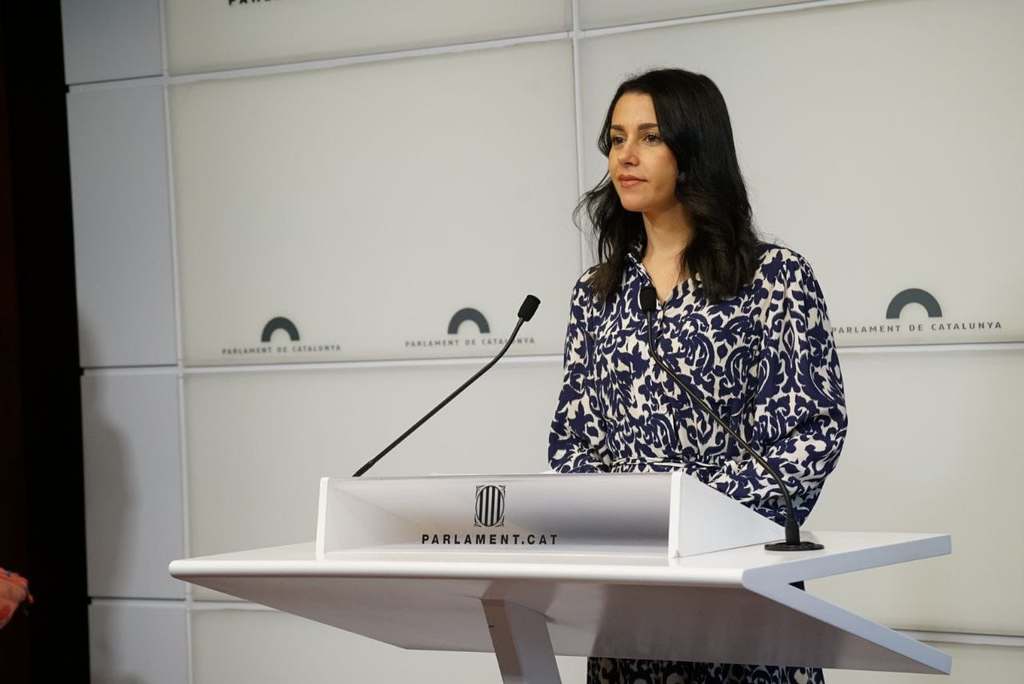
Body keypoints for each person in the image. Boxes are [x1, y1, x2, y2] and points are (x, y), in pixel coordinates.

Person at [548, 68, 849, 684]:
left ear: (696, 148)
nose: (625, 156)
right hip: (631, 607)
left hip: (737, 597)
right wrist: (627, 524)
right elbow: (574, 444)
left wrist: (692, 521)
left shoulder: (772, 279)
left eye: (650, 137)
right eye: (615, 138)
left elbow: (809, 432)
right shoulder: (595, 294)